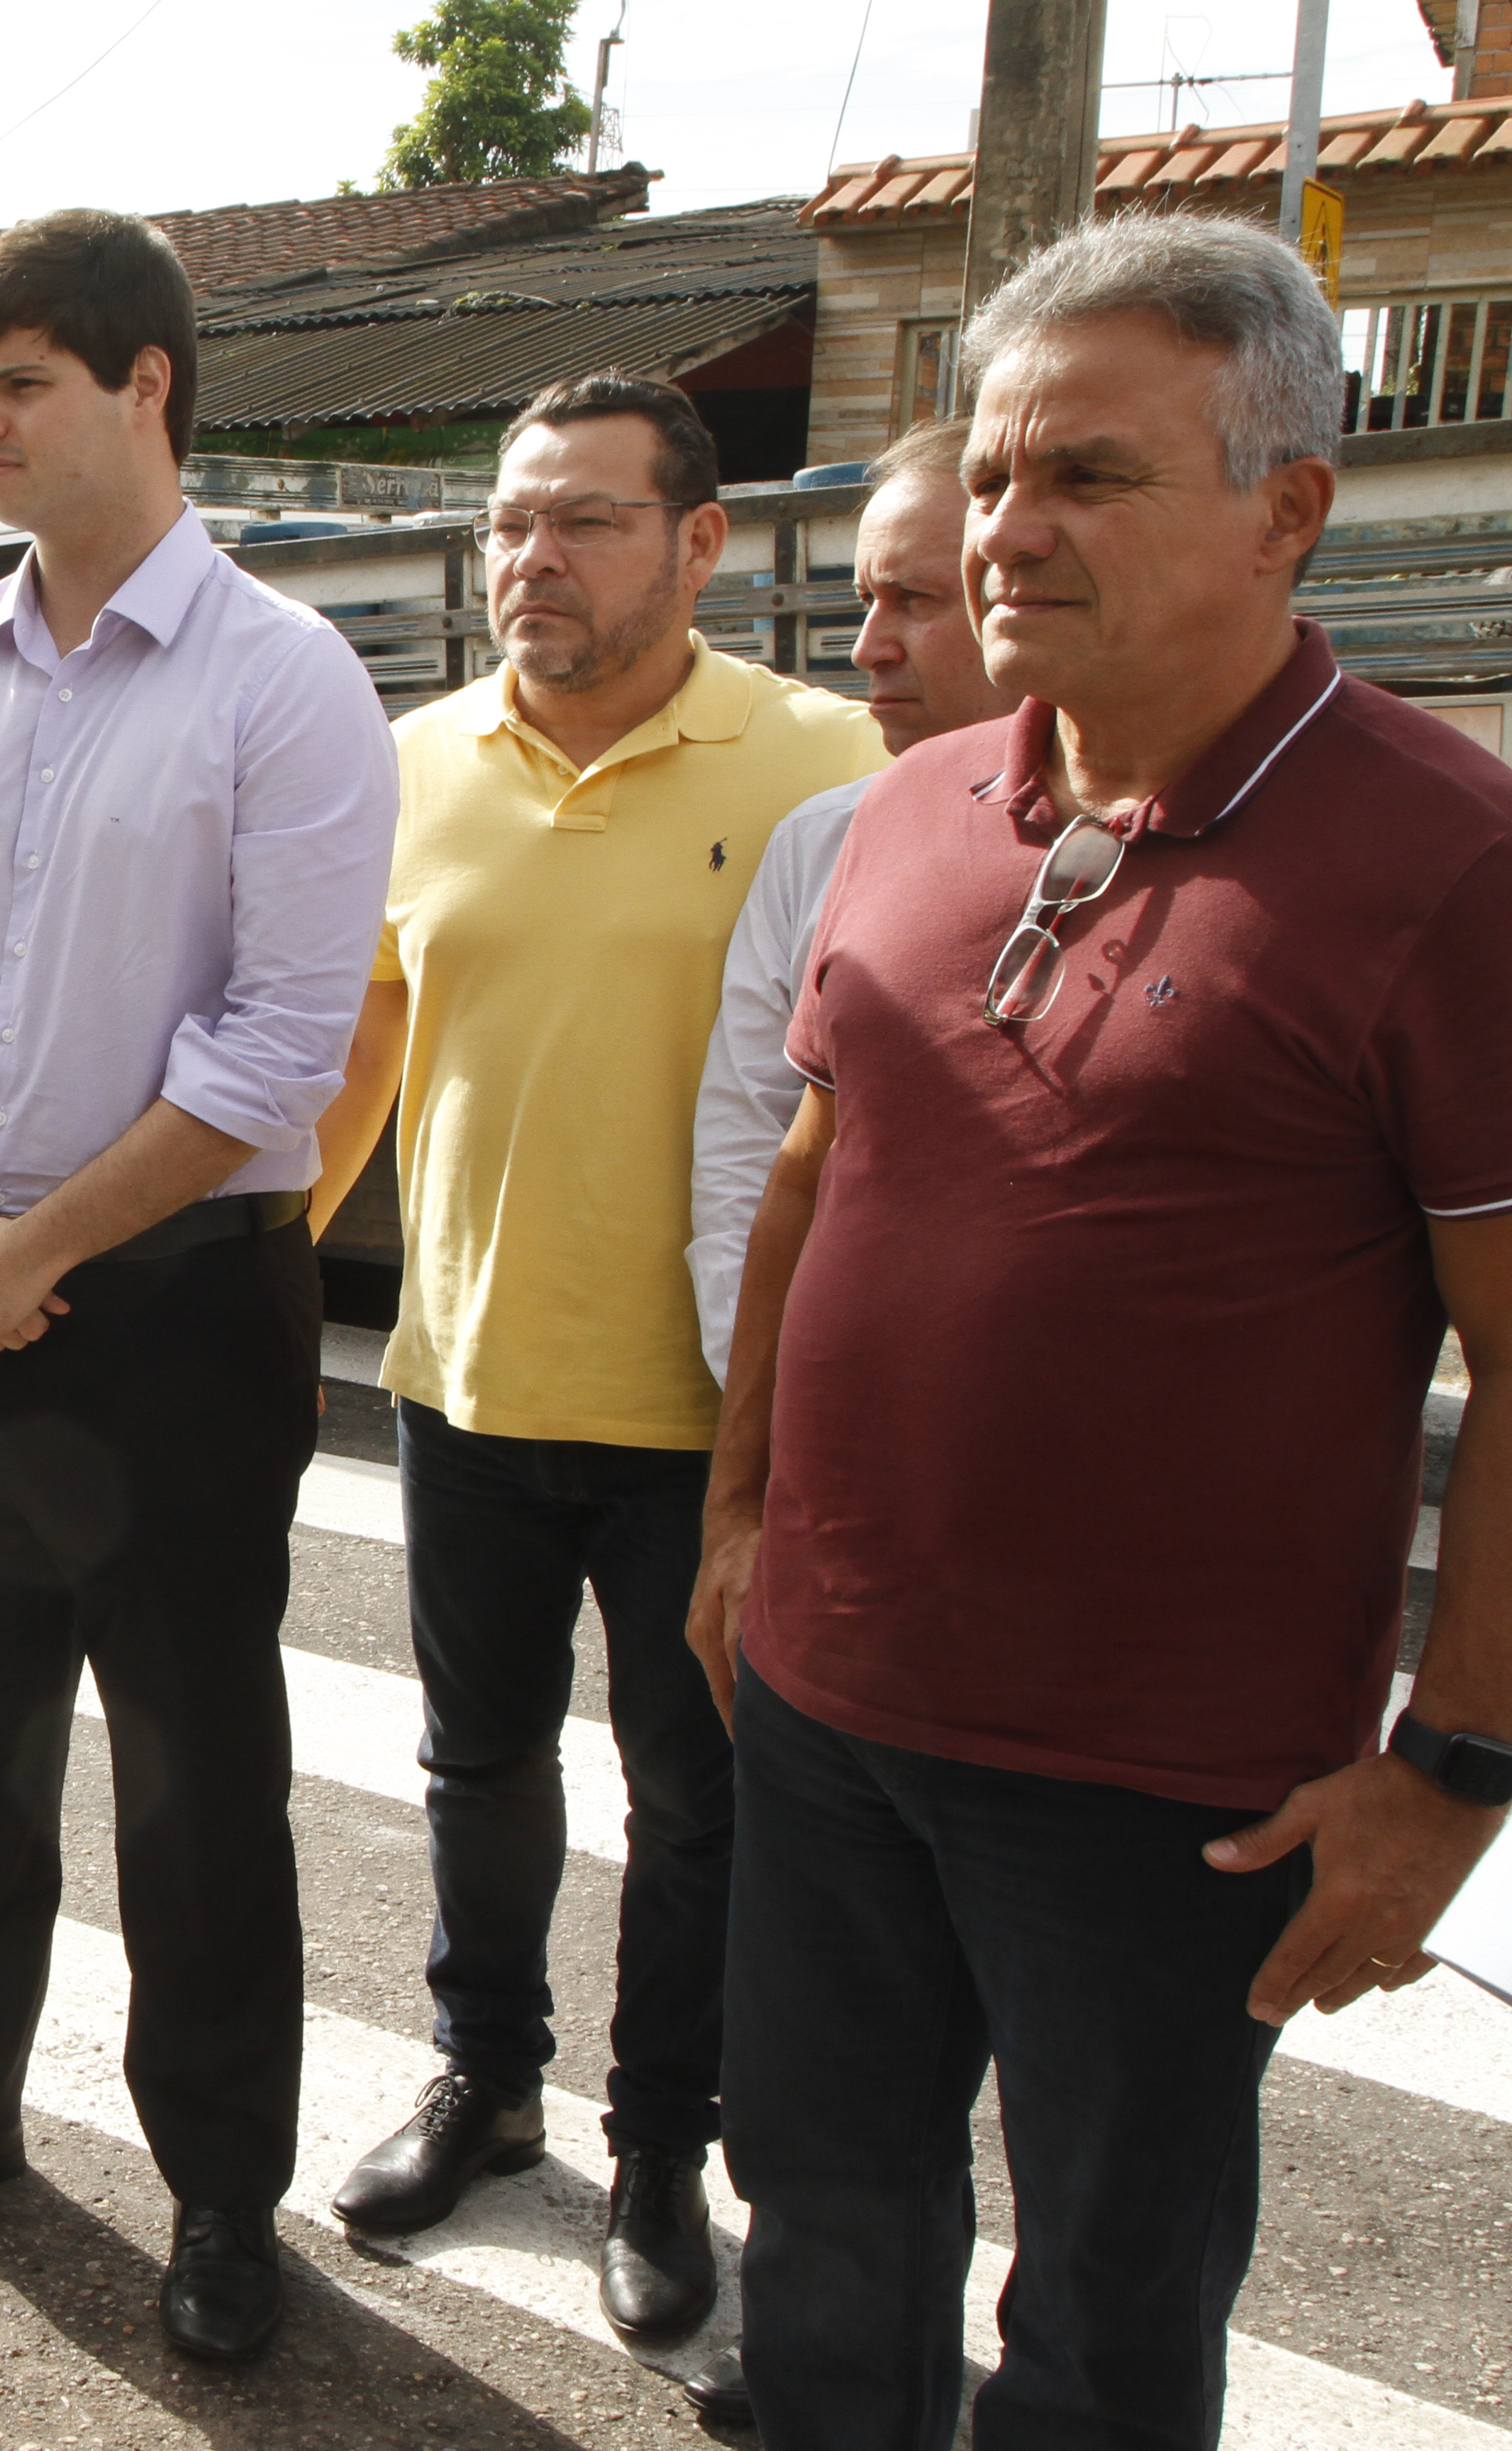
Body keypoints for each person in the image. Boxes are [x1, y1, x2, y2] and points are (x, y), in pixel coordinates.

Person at [691, 213, 1512, 2451]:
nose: (1010, 531)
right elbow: (811, 1177)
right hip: (833, 1714)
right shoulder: (905, 813)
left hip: (1168, 1792)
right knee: (825, 2236)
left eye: (1090, 477)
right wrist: (738, 1522)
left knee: (1107, 2328)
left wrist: (1454, 1772)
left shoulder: (1447, 859)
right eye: (991, 477)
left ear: (1286, 510)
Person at [0, 210, 397, 2366]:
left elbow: (276, 1057)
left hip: (178, 1317)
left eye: (20, 381)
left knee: (196, 1788)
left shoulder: (282, 681)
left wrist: (35, 1250)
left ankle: (219, 2194)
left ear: (146, 387)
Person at [304, 371, 882, 2344]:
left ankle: (656, 2148)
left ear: (699, 543)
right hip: (461, 1380)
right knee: (474, 1766)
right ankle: (487, 2078)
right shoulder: (413, 761)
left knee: (692, 1802)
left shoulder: (821, 762)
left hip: (703, 1411)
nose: (528, 558)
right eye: (508, 521)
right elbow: (364, 1052)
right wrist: (257, 1280)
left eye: (583, 520)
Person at [686, 421, 1015, 1382]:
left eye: (916, 601)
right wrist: (761, 1400)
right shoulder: (825, 841)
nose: (868, 647)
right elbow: (753, 1152)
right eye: (867, 600)